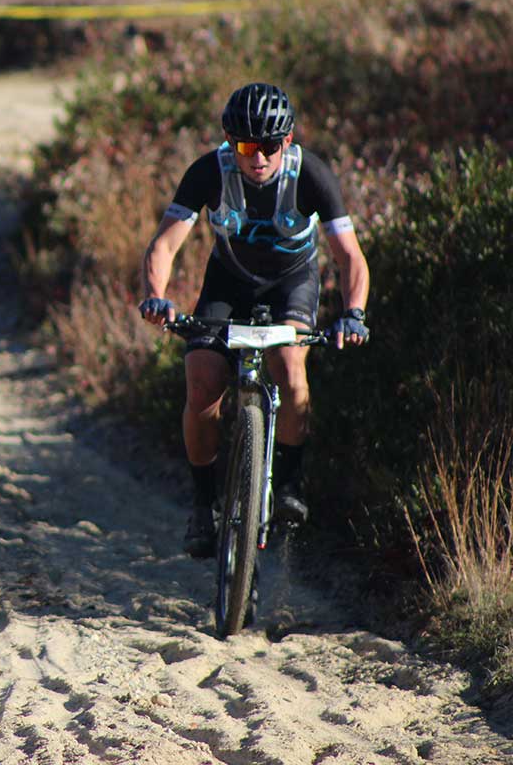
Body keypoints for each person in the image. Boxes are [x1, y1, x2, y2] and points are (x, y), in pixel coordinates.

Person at [138, 82, 370, 559]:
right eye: (246, 146)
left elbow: (350, 257)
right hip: (229, 284)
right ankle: (204, 505)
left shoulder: (313, 176)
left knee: (290, 370)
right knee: (202, 381)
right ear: (230, 142)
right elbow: (164, 244)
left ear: (286, 141)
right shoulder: (208, 172)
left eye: (269, 146)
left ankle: (287, 483)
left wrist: (354, 312)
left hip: (293, 283)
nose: (258, 158)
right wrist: (156, 297)